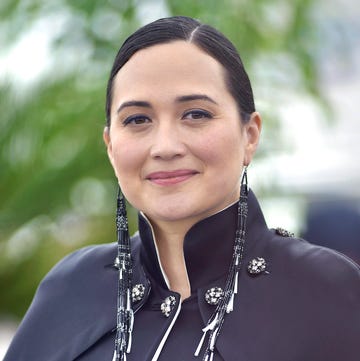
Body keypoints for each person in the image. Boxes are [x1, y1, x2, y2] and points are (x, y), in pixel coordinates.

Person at [4, 16, 360, 361]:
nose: (165, 146)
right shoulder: (71, 286)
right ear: (111, 145)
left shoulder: (325, 292)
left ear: (249, 135)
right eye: (137, 119)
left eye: (196, 114)